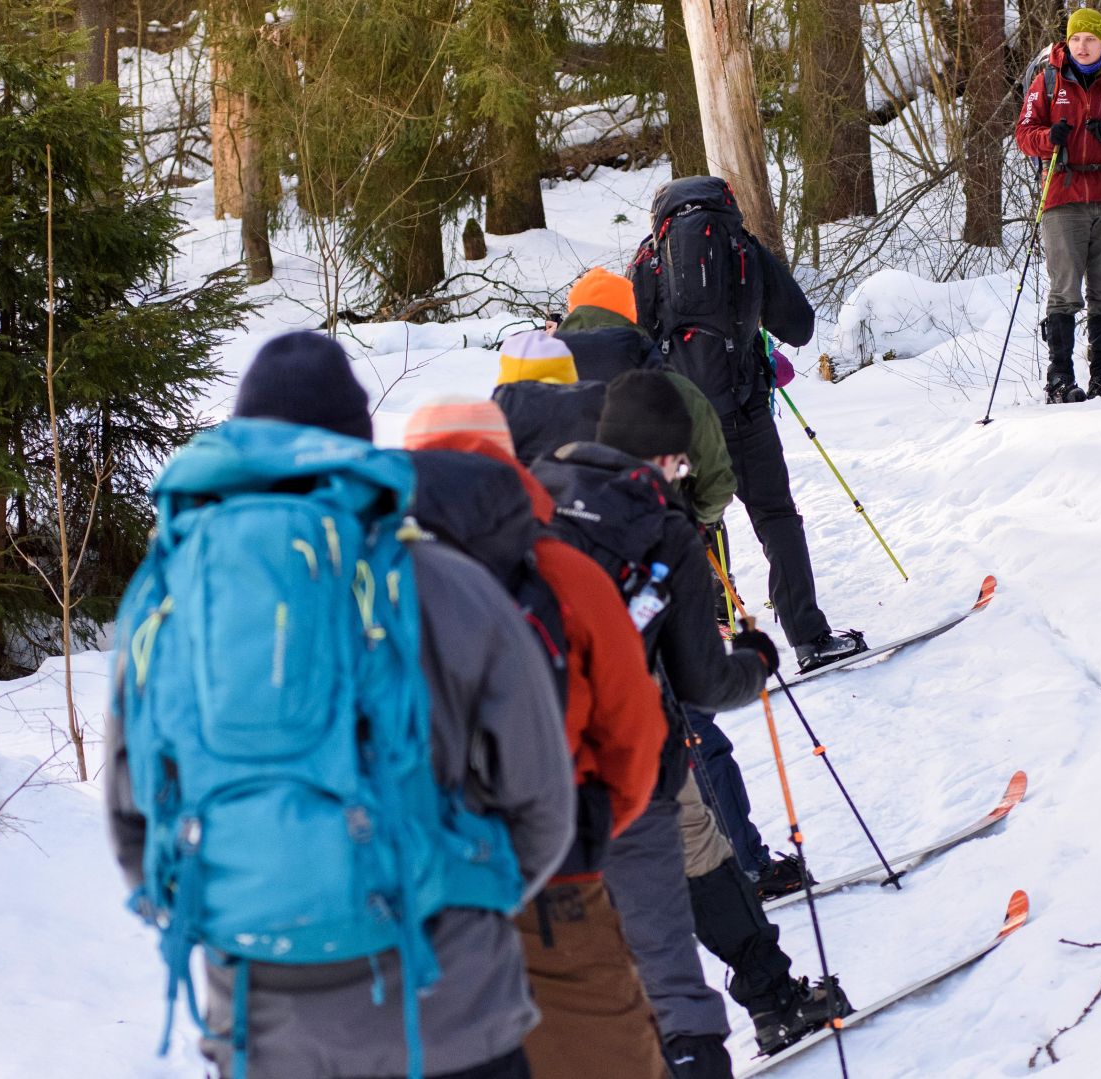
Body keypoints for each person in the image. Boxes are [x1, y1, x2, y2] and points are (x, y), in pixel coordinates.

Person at [105, 331, 575, 1079]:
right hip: (447, 1012)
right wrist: (451, 893)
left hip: (261, 1033)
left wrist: (247, 918)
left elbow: (136, 825)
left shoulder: (164, 600)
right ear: (359, 447)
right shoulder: (447, 585)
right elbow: (543, 806)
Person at [533, 371, 853, 1074]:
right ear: (664, 458)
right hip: (626, 742)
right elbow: (702, 680)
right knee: (691, 867)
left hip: (525, 755)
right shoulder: (659, 522)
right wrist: (758, 659)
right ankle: (768, 1001)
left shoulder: (543, 485)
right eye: (679, 462)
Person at [402, 396, 671, 1079]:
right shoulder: (562, 570)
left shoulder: (351, 575)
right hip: (554, 882)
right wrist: (585, 826)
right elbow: (634, 734)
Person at [628, 176, 866, 673]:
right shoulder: (742, 247)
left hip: (680, 419)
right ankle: (808, 637)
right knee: (776, 515)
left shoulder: (648, 259)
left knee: (698, 518)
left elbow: (634, 340)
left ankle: (716, 621)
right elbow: (800, 325)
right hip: (744, 410)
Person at [1014, 7, 1101, 404]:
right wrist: (1049, 137)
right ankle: (1059, 377)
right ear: (1068, 41)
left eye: (1091, 39)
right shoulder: (1047, 81)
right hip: (1063, 194)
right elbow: (1024, 134)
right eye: (1077, 38)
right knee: (1064, 290)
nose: (1083, 45)